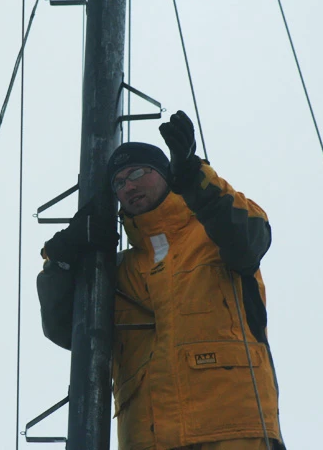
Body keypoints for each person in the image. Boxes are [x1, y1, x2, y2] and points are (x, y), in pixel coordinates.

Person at [37, 111, 283, 450]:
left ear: (166, 175)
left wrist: (196, 179)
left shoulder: (212, 236)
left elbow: (251, 238)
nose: (129, 185)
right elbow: (66, 329)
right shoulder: (115, 273)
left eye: (138, 172)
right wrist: (62, 257)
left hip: (232, 432)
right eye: (119, 183)